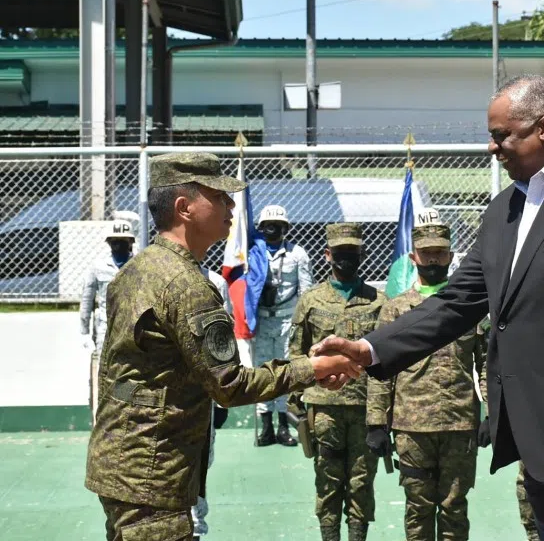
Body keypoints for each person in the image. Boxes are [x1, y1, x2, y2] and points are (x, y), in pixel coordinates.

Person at [313, 74, 544, 541]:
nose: (493, 148)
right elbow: (454, 301)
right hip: (536, 440)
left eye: (501, 135)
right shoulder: (505, 209)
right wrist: (367, 350)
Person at [84, 152, 361, 541]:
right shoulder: (186, 285)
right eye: (218, 196)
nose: (231, 205)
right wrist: (312, 369)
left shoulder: (137, 269)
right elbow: (229, 385)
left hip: (121, 460)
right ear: (184, 208)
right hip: (154, 471)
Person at [367, 219, 486, 541]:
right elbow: (380, 367)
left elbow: (488, 363)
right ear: (413, 257)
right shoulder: (396, 309)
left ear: (450, 257)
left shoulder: (470, 306)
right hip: (412, 426)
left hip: (459, 424)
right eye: (426, 253)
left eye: (440, 253)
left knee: (455, 507)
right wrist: (376, 422)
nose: (433, 259)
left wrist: (492, 412)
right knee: (418, 508)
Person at [289, 222, 386, 541]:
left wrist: (386, 414)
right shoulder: (311, 300)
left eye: (352, 253)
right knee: (328, 483)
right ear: (328, 254)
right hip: (324, 409)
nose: (346, 259)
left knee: (361, 484)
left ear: (363, 254)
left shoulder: (378, 301)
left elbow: (389, 359)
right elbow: (296, 352)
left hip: (365, 408)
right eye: (341, 253)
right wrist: (295, 403)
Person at [253, 204, 314, 447]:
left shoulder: (298, 254)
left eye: (277, 226)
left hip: (288, 321)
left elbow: (306, 290)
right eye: (268, 226)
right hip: (262, 322)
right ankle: (265, 427)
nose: (272, 230)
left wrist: (303, 325)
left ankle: (282, 427)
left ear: (285, 228)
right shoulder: (253, 254)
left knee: (285, 373)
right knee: (263, 372)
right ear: (261, 228)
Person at [476, 316, 538, 541]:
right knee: (531, 489)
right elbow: (489, 367)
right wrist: (491, 413)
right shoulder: (493, 318)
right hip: (526, 416)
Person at [80, 219, 135, 424]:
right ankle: (105, 419)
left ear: (131, 243)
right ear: (109, 243)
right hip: (105, 328)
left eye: (123, 241)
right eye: (114, 242)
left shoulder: (139, 264)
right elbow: (87, 298)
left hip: (132, 328)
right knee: (106, 372)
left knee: (130, 371)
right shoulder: (98, 267)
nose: (118, 246)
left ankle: (128, 417)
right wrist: (84, 332)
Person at [191, 266, 232, 541]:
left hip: (203, 396)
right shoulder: (151, 274)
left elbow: (223, 339)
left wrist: (222, 398)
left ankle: (194, 530)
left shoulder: (215, 282)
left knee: (201, 466)